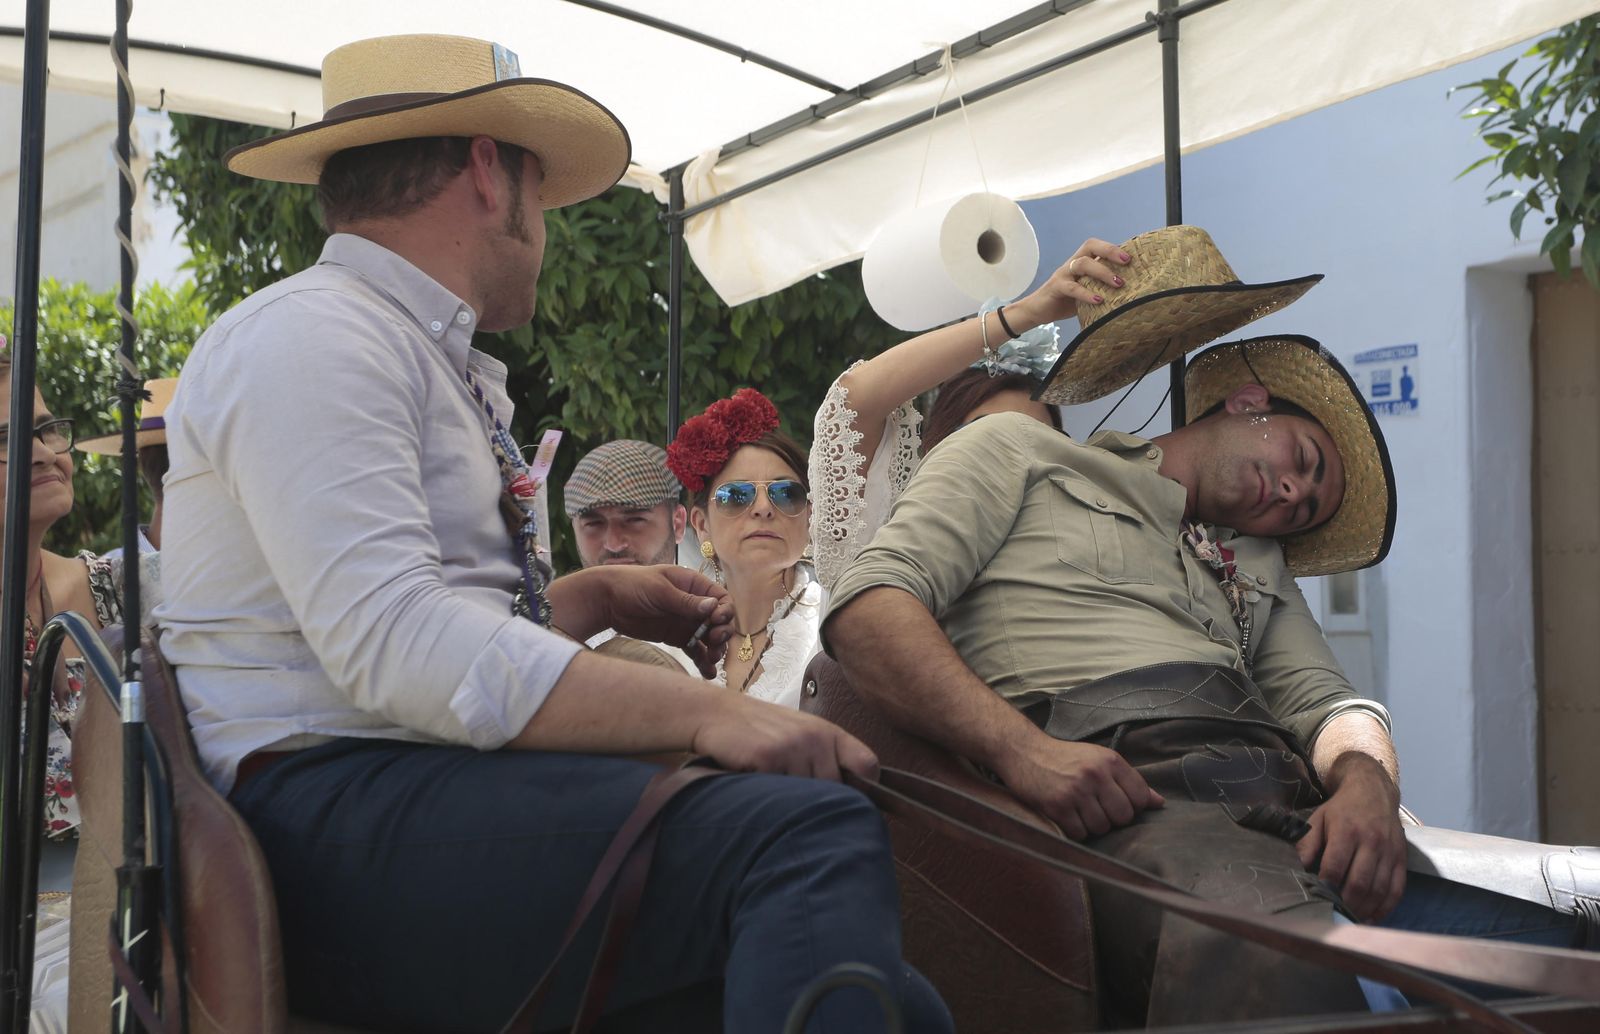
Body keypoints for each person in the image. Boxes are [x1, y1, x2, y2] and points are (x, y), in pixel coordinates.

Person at [155, 34, 950, 1033]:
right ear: (492, 171)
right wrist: (712, 716)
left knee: (900, 1000)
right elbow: (392, 644)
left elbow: (381, 624)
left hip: (388, 795)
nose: (549, 229)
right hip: (323, 825)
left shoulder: (386, 343)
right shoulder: (315, 336)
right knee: (805, 837)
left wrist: (591, 597)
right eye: (543, 186)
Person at [824, 330, 1589, 1025]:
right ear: (1248, 402)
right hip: (1130, 800)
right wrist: (1021, 750)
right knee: (1302, 968)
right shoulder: (1019, 450)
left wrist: (1367, 785)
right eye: (1304, 462)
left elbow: (1329, 703)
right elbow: (870, 610)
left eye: (1307, 509)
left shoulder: (1254, 565)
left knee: (1578, 916)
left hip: (1289, 811)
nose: (1293, 495)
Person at [0, 350, 126, 1031]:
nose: (46, 451)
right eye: (8, 439)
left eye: (49, 428)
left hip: (118, 891)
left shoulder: (117, 587)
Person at [667, 388, 817, 706]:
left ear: (809, 515)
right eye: (735, 495)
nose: (763, 508)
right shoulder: (673, 632)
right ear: (701, 524)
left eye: (786, 493)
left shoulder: (831, 625)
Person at [564, 437, 698, 673]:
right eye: (594, 523)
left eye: (635, 520)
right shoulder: (547, 632)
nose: (614, 543)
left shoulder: (719, 628)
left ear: (677, 524)